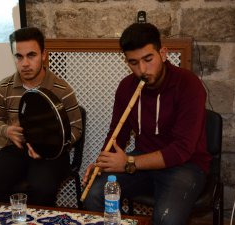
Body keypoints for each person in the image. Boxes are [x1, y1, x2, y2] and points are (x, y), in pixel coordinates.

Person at [82, 23, 211, 225]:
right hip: (142, 161)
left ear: (163, 53)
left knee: (166, 219)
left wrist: (128, 163)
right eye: (133, 62)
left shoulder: (189, 84)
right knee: (94, 194)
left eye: (148, 59)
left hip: (187, 165)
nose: (142, 70)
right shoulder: (127, 87)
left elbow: (182, 150)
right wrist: (103, 162)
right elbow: (117, 134)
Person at [0, 27, 82, 208]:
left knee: (42, 188)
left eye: (31, 55)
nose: (25, 63)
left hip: (52, 154)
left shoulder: (62, 89)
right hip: (17, 149)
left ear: (43, 55)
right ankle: (15, 219)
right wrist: (7, 130)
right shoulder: (4, 87)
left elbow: (76, 128)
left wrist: (50, 146)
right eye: (19, 56)